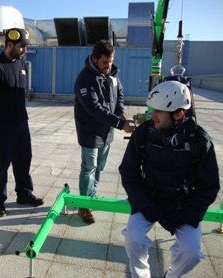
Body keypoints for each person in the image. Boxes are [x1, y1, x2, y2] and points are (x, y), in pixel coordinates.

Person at [119, 81, 220, 278]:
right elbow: (129, 172)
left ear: (178, 115)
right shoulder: (145, 133)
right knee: (133, 238)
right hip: (150, 198)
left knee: (191, 253)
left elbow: (209, 187)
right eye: (152, 109)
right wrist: (144, 205)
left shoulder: (199, 141)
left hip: (183, 204)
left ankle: (172, 275)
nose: (152, 115)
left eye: (159, 111)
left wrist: (183, 216)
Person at [0, 27, 44, 217]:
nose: (24, 50)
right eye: (21, 46)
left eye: (25, 46)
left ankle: (24, 194)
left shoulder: (21, 64)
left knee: (23, 160)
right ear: (9, 44)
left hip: (21, 123)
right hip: (2, 126)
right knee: (1, 164)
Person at [74, 40, 135, 224]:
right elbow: (94, 108)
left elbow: (120, 94)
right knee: (89, 168)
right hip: (90, 132)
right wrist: (120, 123)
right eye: (104, 62)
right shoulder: (85, 79)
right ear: (95, 59)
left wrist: (121, 111)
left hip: (106, 131)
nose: (108, 66)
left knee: (99, 166)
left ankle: (91, 195)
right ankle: (84, 205)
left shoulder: (113, 74)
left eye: (110, 61)